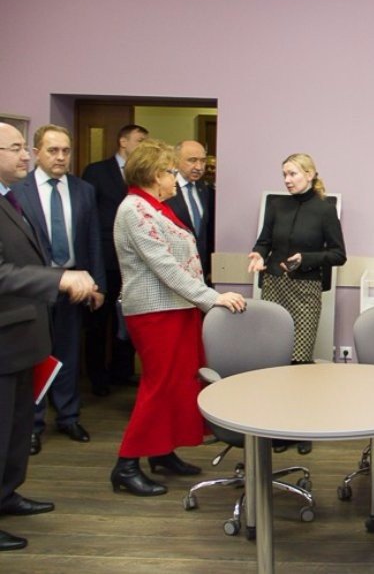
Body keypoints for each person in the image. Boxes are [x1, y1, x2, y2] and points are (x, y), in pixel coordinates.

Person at [111, 140, 246, 496]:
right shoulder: (134, 209)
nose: (176, 178)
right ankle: (126, 464)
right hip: (155, 312)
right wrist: (213, 298)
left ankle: (161, 451)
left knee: (178, 382)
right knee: (158, 385)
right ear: (155, 175)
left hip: (177, 308)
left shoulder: (155, 207)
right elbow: (166, 268)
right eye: (171, 172)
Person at [0, 122, 98, 551]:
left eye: (25, 147)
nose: (26, 155)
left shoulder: (8, 198)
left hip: (23, 335)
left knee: (15, 427)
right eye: (16, 148)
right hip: (6, 336)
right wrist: (57, 279)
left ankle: (6, 494)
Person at [12, 125, 106, 455]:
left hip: (75, 287)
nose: (61, 157)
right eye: (53, 151)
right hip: (34, 288)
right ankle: (33, 424)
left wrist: (97, 284)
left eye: (66, 151)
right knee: (36, 355)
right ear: (36, 153)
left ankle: (68, 416)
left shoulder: (83, 190)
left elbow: (93, 238)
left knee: (68, 353)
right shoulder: (17, 191)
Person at [247, 153, 346, 364]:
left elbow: (339, 255)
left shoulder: (325, 210)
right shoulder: (277, 206)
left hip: (305, 292)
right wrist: (259, 253)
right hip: (274, 286)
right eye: (284, 175)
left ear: (309, 174)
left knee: (299, 358)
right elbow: (264, 242)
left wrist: (305, 259)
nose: (287, 180)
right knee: (271, 353)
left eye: (292, 174)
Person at [82, 124, 147, 396]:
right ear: (123, 141)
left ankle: (123, 371)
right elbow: (88, 215)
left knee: (128, 316)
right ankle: (97, 378)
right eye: (139, 140)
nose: (143, 145)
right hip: (104, 258)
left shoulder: (141, 173)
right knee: (100, 321)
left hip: (133, 262)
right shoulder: (97, 171)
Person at [165, 140, 214, 282]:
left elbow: (207, 232)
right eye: (192, 160)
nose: (199, 167)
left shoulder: (205, 189)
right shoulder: (165, 188)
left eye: (203, 161)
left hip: (200, 270)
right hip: (173, 270)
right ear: (176, 160)